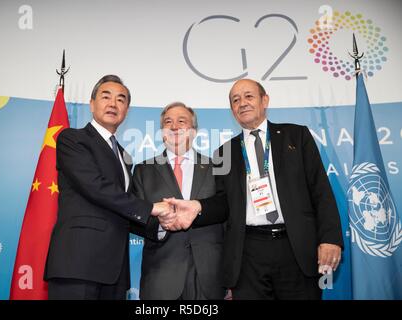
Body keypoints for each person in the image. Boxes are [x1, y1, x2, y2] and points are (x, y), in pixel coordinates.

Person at [165, 79, 343, 300]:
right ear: (232, 110)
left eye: (248, 96)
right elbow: (223, 204)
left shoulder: (296, 136)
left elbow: (321, 191)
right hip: (248, 253)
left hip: (296, 247)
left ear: (264, 100)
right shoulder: (224, 152)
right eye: (235, 100)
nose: (242, 103)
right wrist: (197, 207)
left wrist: (330, 239)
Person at [44, 75, 172, 300]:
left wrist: (160, 227)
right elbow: (95, 187)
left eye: (121, 99)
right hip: (78, 264)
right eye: (106, 97)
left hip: (114, 270)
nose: (113, 103)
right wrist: (152, 208)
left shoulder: (124, 156)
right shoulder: (72, 139)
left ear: (126, 110)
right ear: (92, 104)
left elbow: (123, 207)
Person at [131, 102, 225, 300]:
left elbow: (227, 213)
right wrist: (161, 225)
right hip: (161, 276)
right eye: (168, 122)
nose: (174, 127)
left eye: (181, 121)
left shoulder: (217, 167)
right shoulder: (143, 170)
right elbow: (134, 216)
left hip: (209, 277)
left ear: (194, 131)